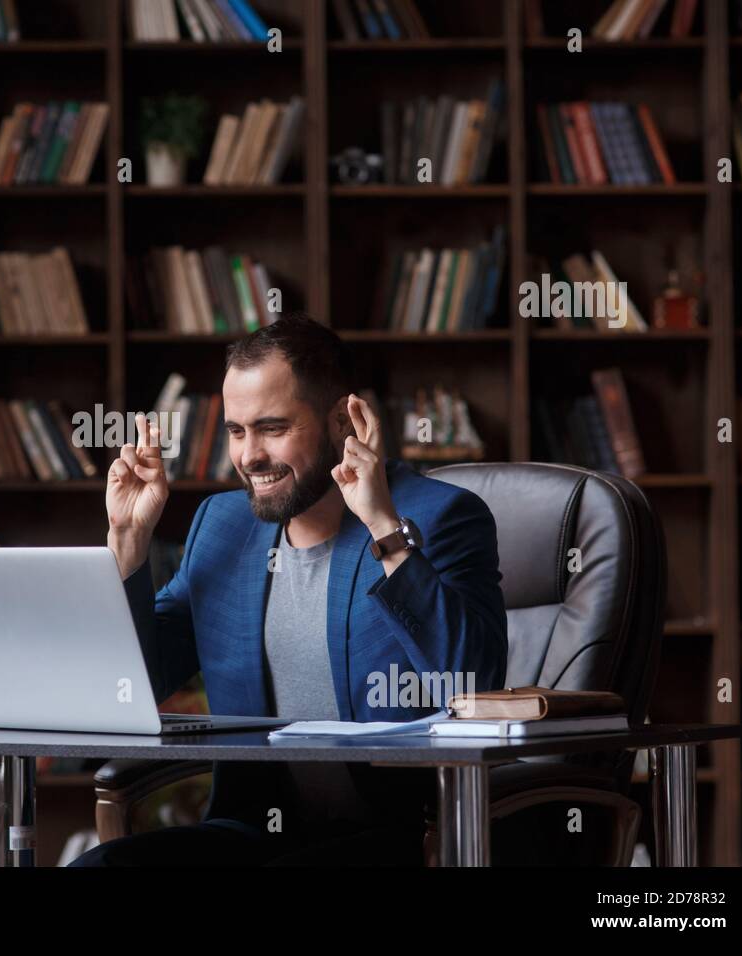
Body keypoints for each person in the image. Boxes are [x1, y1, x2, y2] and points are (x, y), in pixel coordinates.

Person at [70, 314, 507, 866]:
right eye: (236, 430)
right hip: (252, 832)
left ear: (342, 423)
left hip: (400, 838)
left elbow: (472, 684)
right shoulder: (222, 525)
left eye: (273, 428)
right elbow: (135, 681)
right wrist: (128, 544)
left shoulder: (437, 516)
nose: (249, 455)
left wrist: (384, 530)